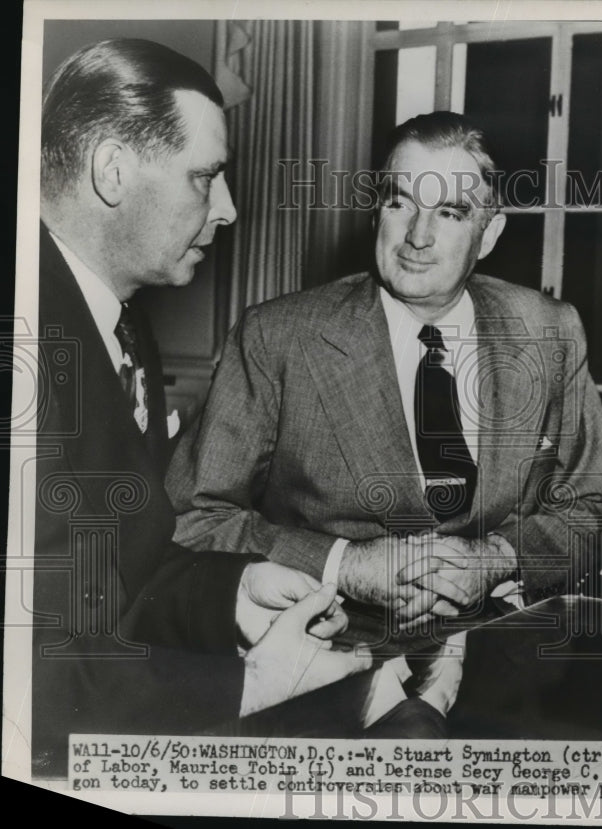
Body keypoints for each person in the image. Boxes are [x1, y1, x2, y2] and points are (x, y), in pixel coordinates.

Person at [33, 38, 373, 777]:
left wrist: (233, 593)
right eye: (206, 177)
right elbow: (23, 666)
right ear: (113, 171)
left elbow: (117, 574)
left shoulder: (121, 325)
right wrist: (246, 684)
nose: (227, 209)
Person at [166, 111, 602, 651]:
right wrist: (345, 565)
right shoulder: (279, 336)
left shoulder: (548, 329)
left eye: (451, 212)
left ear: (490, 233)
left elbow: (595, 505)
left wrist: (498, 558)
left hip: (506, 650)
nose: (417, 236)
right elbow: (193, 517)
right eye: (400, 202)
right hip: (331, 646)